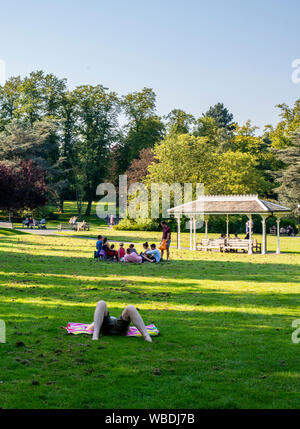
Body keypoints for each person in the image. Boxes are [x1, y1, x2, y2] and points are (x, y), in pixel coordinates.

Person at [87, 300, 152, 342]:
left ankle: (146, 335)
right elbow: (91, 327)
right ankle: (95, 336)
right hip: (105, 326)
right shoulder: (100, 321)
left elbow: (90, 327)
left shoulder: (116, 321)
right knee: (101, 303)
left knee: (130, 307)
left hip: (119, 327)